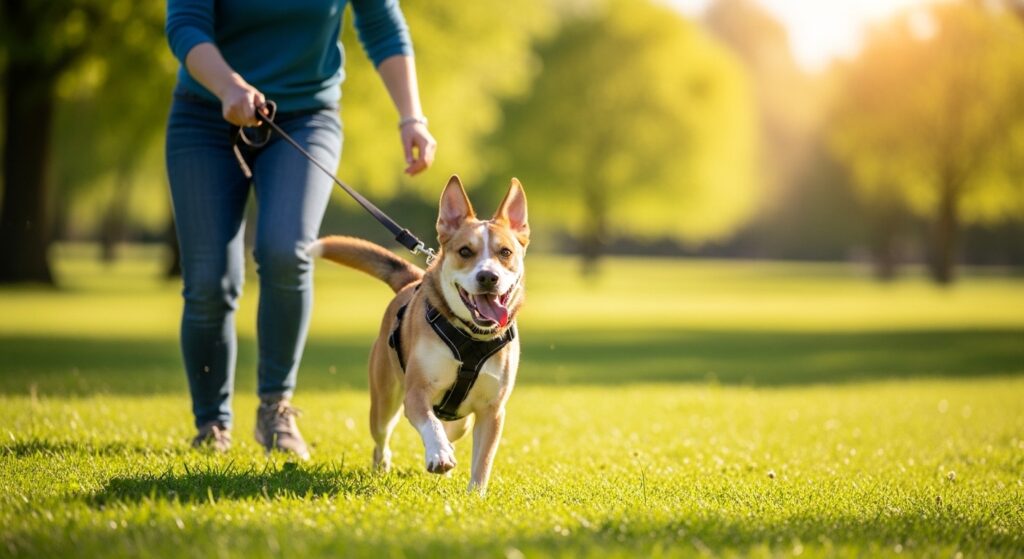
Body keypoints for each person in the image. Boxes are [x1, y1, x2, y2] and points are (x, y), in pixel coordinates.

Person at [164, 0, 436, 459]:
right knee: (210, 281)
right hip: (205, 113)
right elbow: (185, 23)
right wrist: (228, 85)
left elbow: (382, 24)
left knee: (286, 250)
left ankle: (275, 409)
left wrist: (412, 116)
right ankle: (211, 423)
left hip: (306, 117)